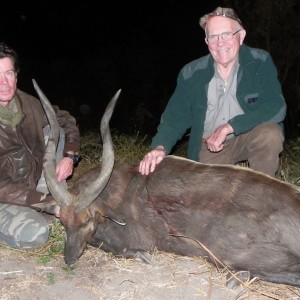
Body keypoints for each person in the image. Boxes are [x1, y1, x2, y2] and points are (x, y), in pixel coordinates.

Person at [139, 7, 286, 178]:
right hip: (209, 146)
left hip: (248, 135)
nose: (220, 42)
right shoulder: (191, 73)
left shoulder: (260, 61)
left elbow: (276, 106)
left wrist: (230, 127)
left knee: (269, 135)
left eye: (226, 34)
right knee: (206, 196)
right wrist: (160, 147)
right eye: (213, 37)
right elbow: (175, 117)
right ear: (206, 41)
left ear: (241, 36)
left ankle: (262, 191)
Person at [0, 42, 80, 250]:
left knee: (55, 129)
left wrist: (70, 156)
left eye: (8, 73)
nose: (4, 82)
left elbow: (65, 120)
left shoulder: (29, 103)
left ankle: (53, 197)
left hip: (31, 183)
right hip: (5, 195)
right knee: (37, 233)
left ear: (16, 76)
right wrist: (46, 202)